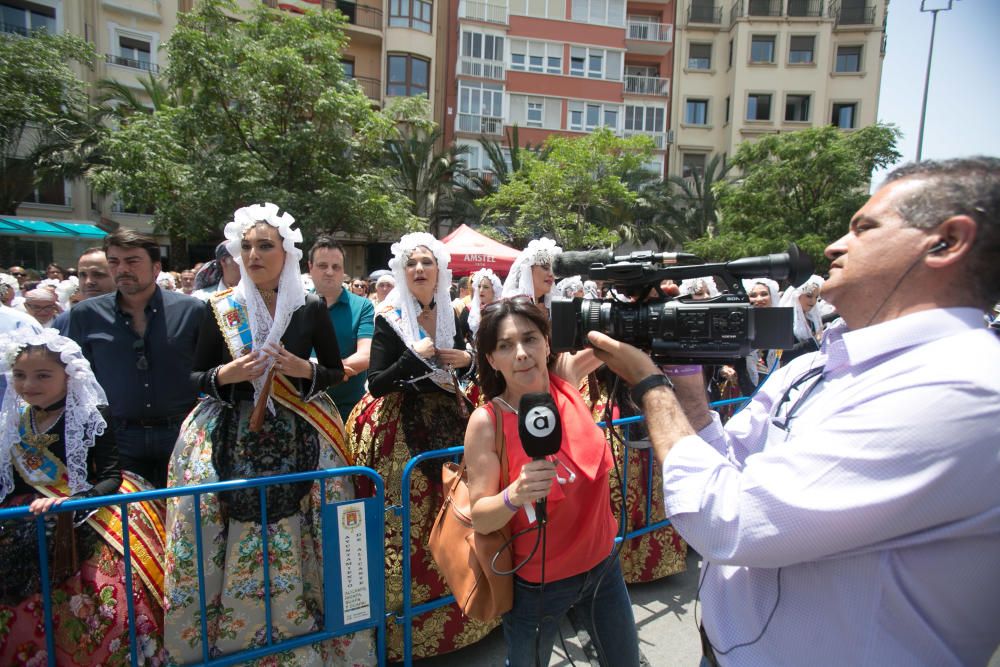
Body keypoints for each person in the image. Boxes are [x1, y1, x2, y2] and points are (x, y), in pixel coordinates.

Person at [588, 157, 1000, 666]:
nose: (835, 246)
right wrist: (681, 371)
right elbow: (725, 459)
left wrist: (649, 384)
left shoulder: (959, 389)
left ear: (946, 242)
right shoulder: (819, 364)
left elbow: (725, 520)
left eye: (864, 228)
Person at [164, 203, 374, 665]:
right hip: (229, 432)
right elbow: (195, 378)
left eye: (265, 246)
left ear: (286, 252)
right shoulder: (218, 309)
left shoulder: (311, 305)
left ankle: (312, 635)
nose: (254, 254)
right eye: (247, 246)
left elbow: (335, 370)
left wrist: (304, 369)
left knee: (312, 526)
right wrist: (229, 373)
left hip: (302, 428)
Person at [465, 297, 640, 667]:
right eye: (505, 345)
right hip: (538, 588)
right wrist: (515, 494)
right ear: (492, 360)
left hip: (603, 568)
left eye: (530, 339)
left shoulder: (567, 380)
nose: (521, 353)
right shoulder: (487, 422)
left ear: (547, 342)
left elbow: (613, 336)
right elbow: (480, 517)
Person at [346, 232, 485, 661]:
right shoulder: (387, 316)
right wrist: (414, 357)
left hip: (450, 421)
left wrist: (469, 360)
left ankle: (467, 607)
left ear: (440, 271)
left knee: (456, 513)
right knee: (408, 524)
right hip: (397, 432)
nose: (420, 269)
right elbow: (375, 382)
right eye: (412, 263)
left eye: (427, 262)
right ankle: (402, 625)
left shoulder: (452, 312)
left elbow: (466, 363)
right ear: (403, 272)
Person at [0, 328, 166, 665]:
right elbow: (14, 480)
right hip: (29, 515)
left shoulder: (91, 415)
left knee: (103, 594)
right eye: (20, 375)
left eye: (42, 375)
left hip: (88, 510)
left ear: (69, 376)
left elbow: (109, 476)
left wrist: (75, 503)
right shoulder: (15, 420)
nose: (29, 384)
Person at [66, 229, 203, 488]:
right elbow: (77, 383)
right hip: (118, 439)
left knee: (182, 520)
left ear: (156, 268)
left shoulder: (192, 311)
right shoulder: (85, 315)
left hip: (182, 434)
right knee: (127, 521)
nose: (122, 269)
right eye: (115, 262)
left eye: (132, 261)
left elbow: (209, 370)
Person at [308, 235, 375, 421]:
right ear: (310, 267)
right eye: (323, 266)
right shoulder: (296, 305)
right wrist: (334, 372)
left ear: (343, 271)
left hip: (347, 411)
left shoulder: (363, 306)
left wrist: (315, 371)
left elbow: (366, 355)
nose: (330, 272)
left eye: (336, 267)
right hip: (303, 407)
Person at [736, 278, 780, 396]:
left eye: (764, 294)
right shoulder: (739, 323)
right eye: (753, 295)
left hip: (774, 382)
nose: (759, 299)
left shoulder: (780, 323)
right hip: (746, 385)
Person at [502, 237, 560, 313]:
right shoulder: (512, 309)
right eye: (545, 267)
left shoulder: (552, 310)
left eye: (553, 269)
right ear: (528, 271)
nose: (551, 274)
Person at [778, 274, 824, 365]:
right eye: (809, 296)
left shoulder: (811, 319)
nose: (813, 301)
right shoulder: (784, 319)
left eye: (816, 297)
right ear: (797, 296)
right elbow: (780, 354)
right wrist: (813, 341)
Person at [463, 267, 502, 343]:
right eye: (479, 286)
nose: (481, 290)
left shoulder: (502, 311)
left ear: (494, 290)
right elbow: (459, 338)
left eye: (486, 287)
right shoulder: (468, 310)